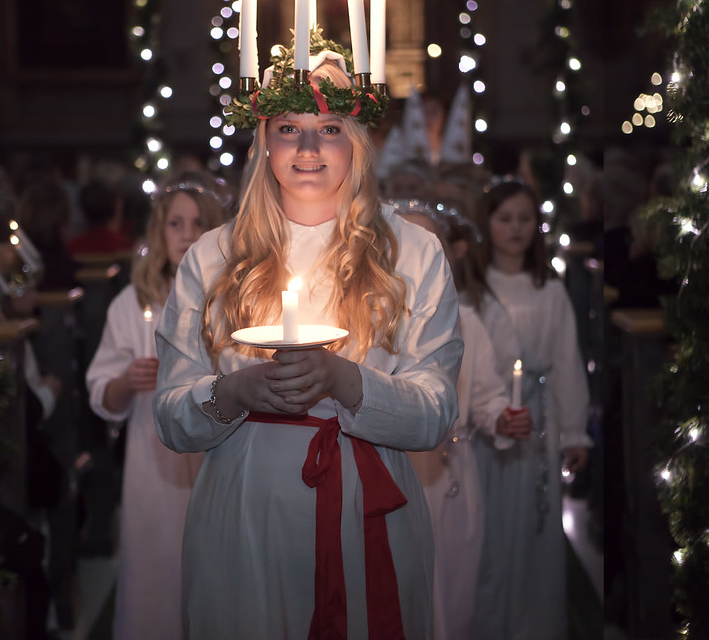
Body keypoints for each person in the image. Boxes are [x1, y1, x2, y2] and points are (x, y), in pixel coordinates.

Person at [154, 36, 463, 639]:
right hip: (244, 511)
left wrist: (347, 382)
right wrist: (236, 391)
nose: (308, 149)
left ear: (358, 142)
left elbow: (436, 412)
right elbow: (170, 417)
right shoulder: (213, 256)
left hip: (368, 506)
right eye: (289, 129)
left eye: (330, 129)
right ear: (263, 141)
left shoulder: (413, 252)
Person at [85, 172, 231, 639]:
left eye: (198, 224)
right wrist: (127, 382)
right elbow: (101, 393)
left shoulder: (232, 301)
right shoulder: (133, 303)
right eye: (175, 223)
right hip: (154, 462)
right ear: (158, 230)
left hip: (218, 456)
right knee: (157, 578)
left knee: (219, 577)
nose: (187, 235)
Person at [396, 200, 532, 640]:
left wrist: (501, 419)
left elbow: (486, 394)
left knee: (453, 590)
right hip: (396, 473)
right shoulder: (375, 325)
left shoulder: (467, 323)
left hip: (451, 472)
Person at [469, 178, 592, 640]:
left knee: (531, 525)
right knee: (488, 524)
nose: (516, 228)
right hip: (485, 423)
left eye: (525, 219)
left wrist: (574, 432)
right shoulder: (474, 288)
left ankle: (530, 624)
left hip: (537, 419)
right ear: (487, 223)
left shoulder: (549, 289)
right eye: (505, 218)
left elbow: (566, 361)